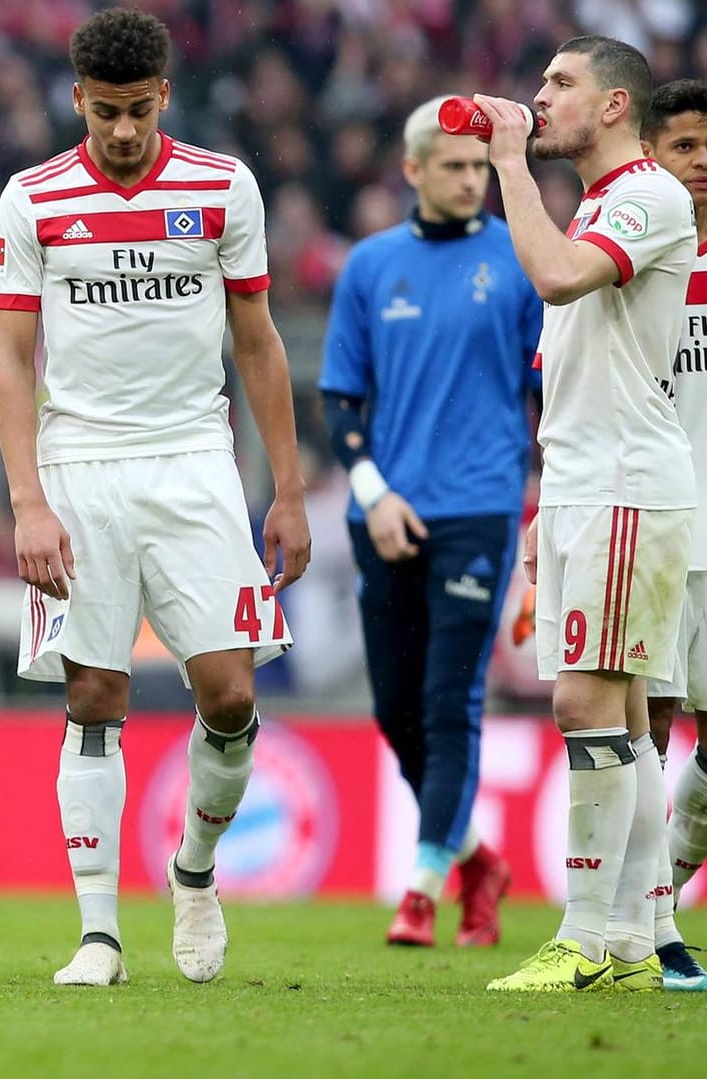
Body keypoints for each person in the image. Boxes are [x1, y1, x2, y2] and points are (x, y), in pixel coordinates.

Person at [0, 8, 311, 987]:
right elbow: (6, 357)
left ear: (164, 94)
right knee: (94, 691)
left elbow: (256, 338)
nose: (122, 131)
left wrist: (285, 488)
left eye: (138, 110)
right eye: (104, 111)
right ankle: (98, 935)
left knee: (231, 691)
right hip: (79, 464)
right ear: (76, 97)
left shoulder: (221, 185)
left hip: (195, 461)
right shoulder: (32, 197)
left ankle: (194, 870)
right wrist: (25, 501)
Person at [474, 35, 694, 993]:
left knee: (587, 703)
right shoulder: (603, 205)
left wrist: (509, 164)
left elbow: (558, 277)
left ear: (614, 106)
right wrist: (543, 504)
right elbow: (566, 371)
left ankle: (585, 938)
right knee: (631, 716)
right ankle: (640, 940)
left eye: (562, 84)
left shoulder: (650, 193)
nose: (541, 96)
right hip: (579, 482)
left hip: (625, 482)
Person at [319, 96, 539, 949]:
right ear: (412, 170)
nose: (470, 179)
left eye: (480, 166)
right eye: (453, 165)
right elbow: (341, 397)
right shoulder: (372, 267)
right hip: (385, 514)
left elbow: (545, 389)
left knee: (450, 704)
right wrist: (373, 491)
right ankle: (479, 859)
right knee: (394, 711)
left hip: (479, 509)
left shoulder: (521, 259)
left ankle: (419, 889)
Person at [637, 77, 707, 991]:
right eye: (686, 146)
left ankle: (664, 889)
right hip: (656, 524)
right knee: (643, 731)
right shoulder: (621, 250)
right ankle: (652, 925)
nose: (704, 164)